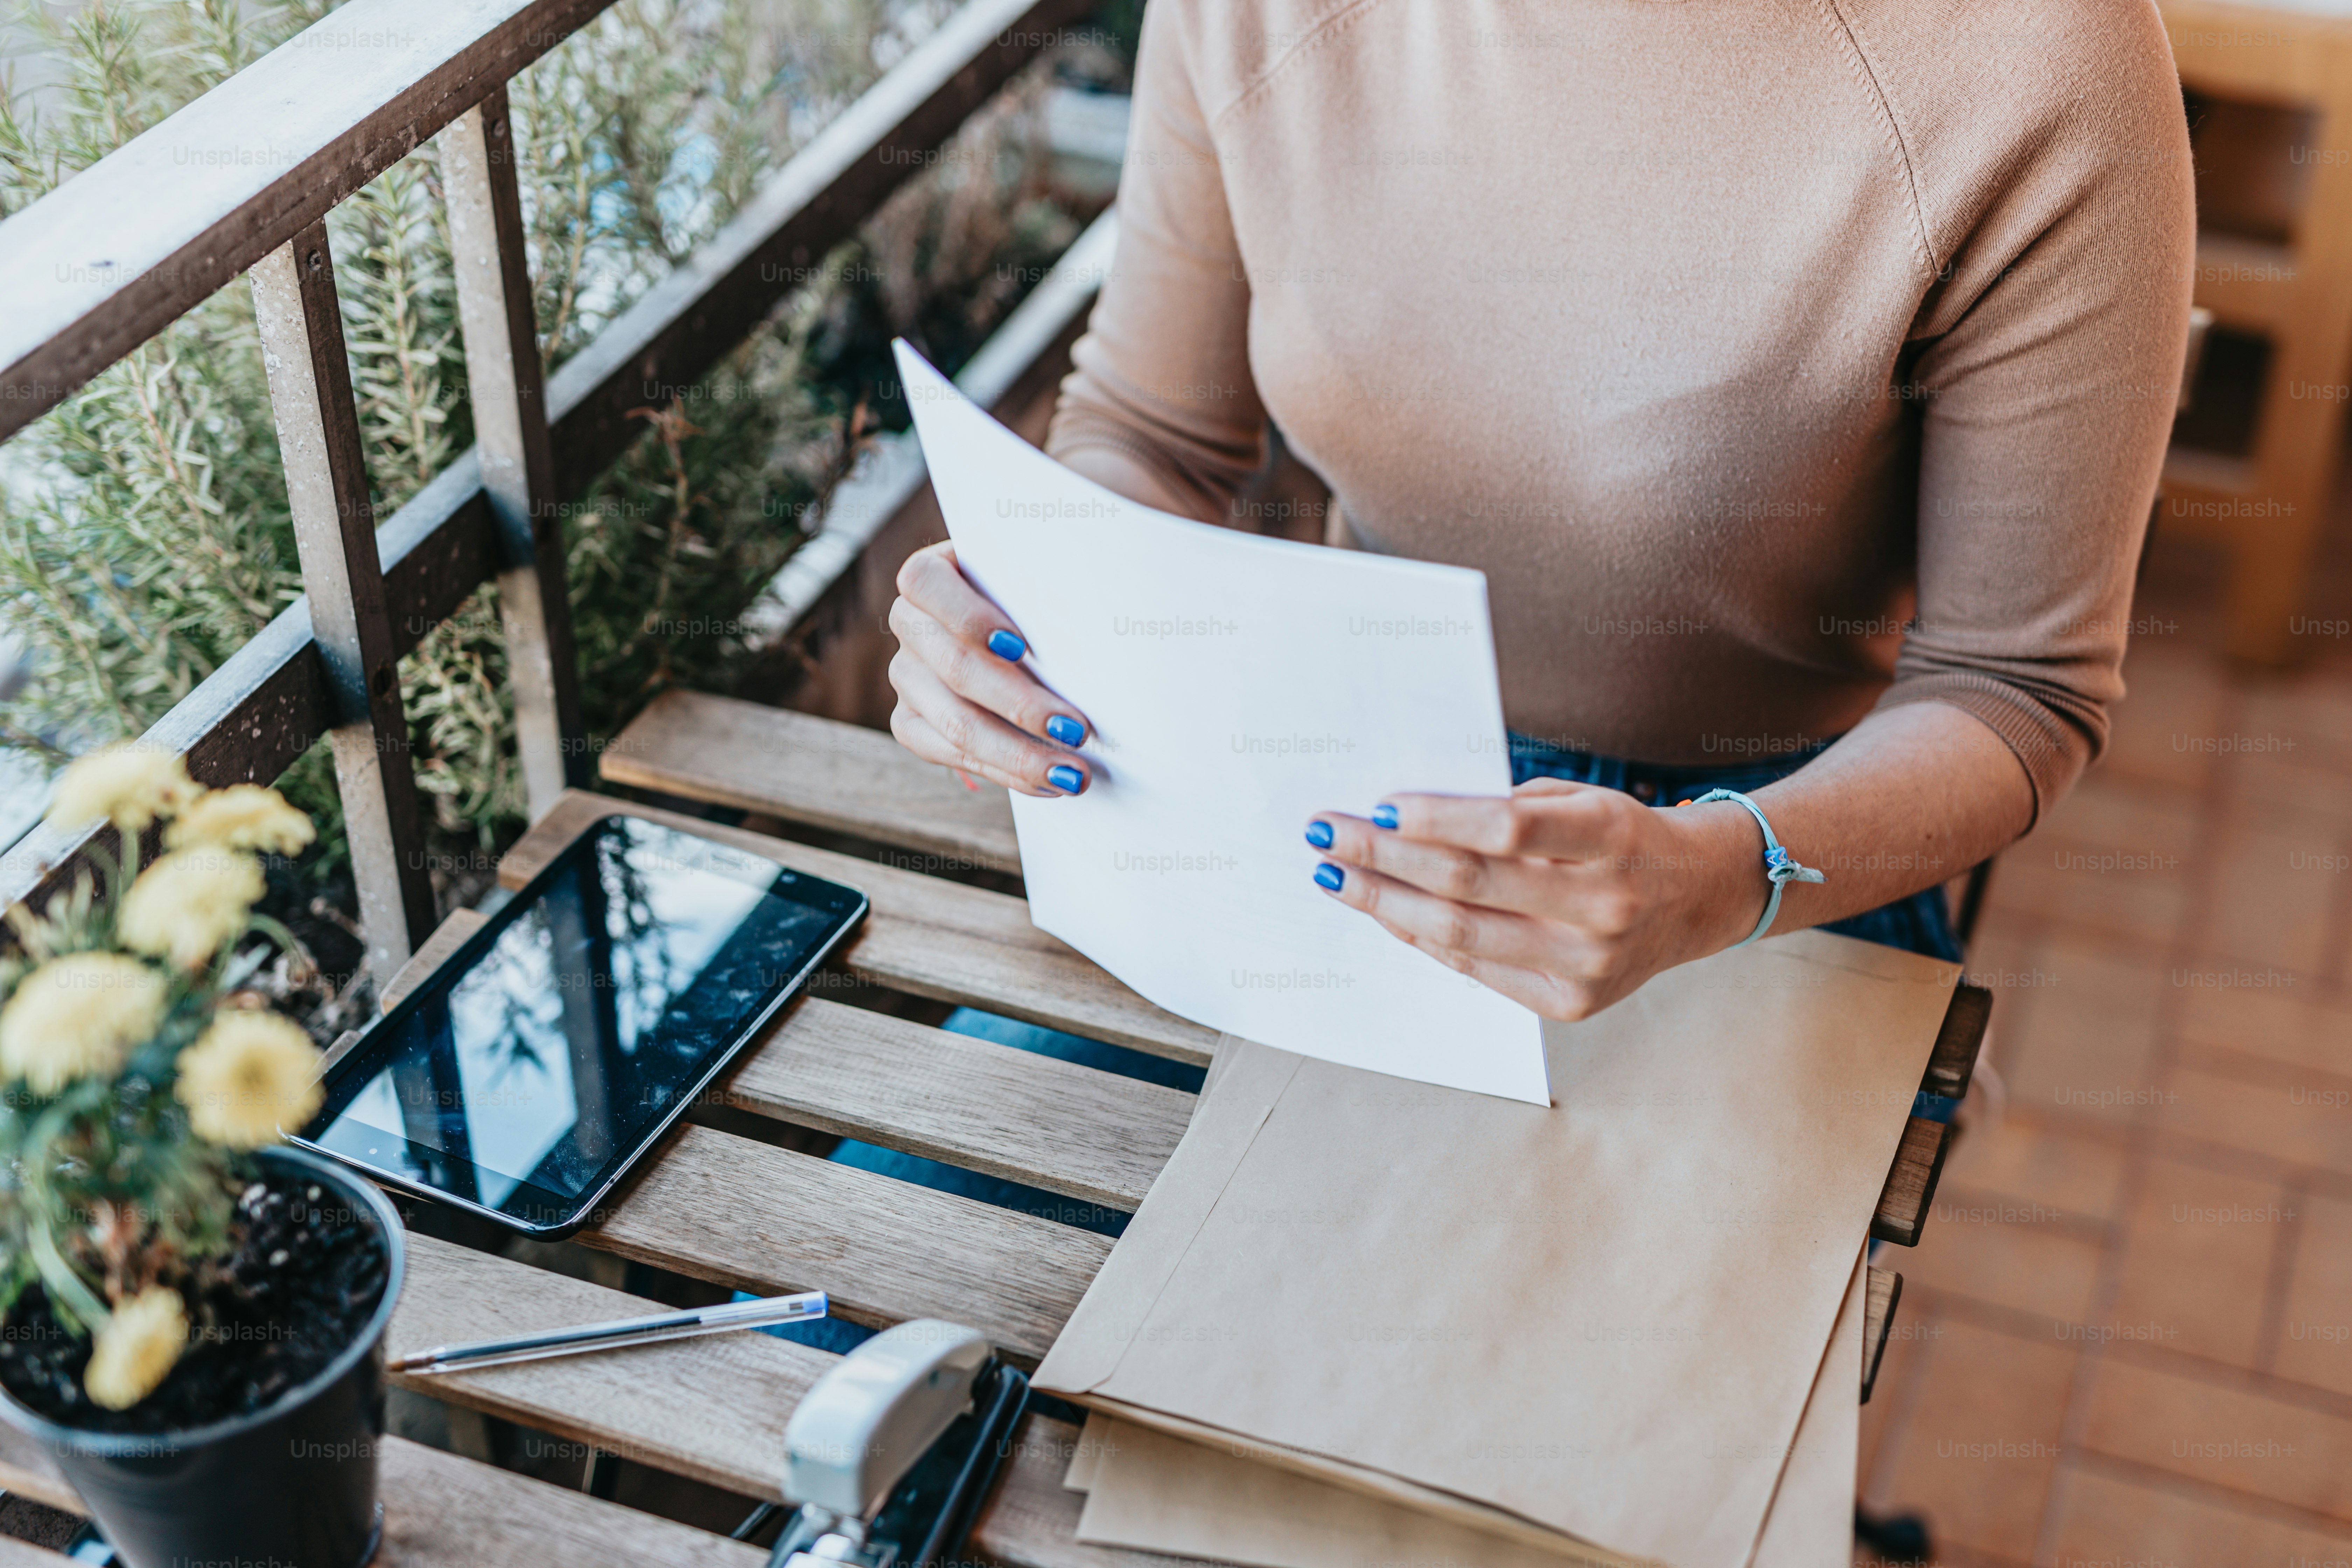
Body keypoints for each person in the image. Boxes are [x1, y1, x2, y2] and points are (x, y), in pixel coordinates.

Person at [883, 0, 2195, 1011]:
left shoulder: (2046, 61)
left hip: (1770, 849)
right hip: (1318, 776)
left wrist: (1720, 877)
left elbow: (2017, 689)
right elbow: (1154, 434)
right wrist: (1034, 598)